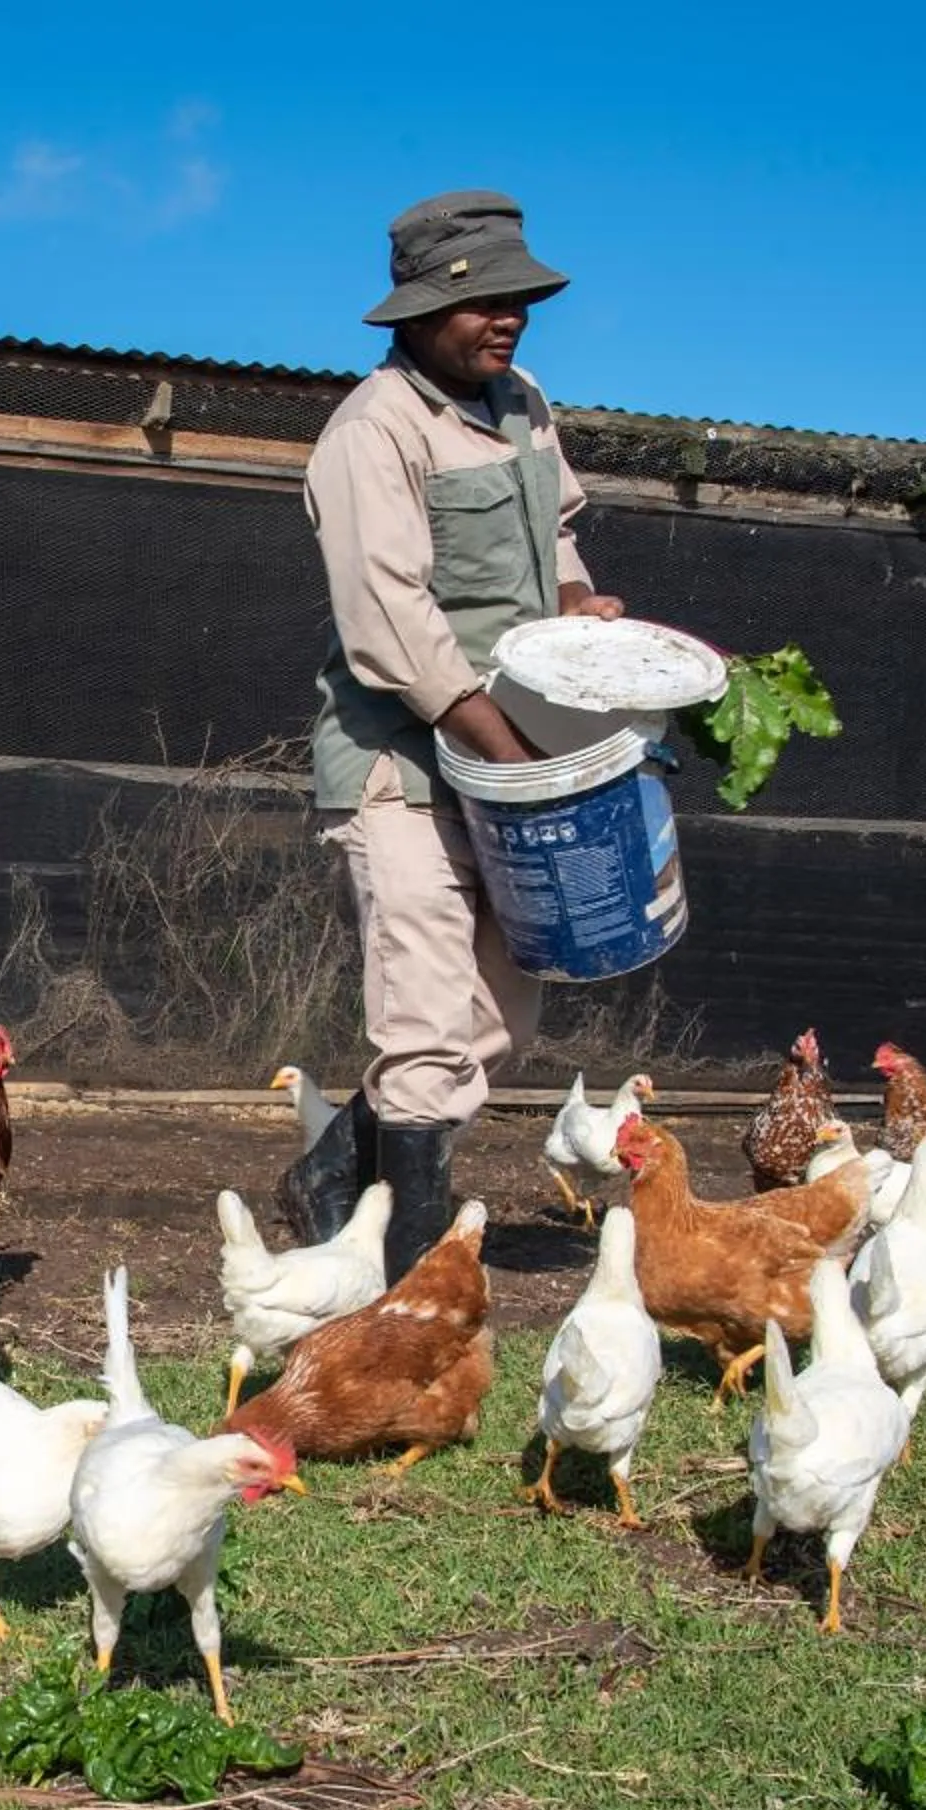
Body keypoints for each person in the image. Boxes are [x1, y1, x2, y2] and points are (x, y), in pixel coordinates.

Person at [287, 189, 626, 1280]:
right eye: (483, 303)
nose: (509, 320)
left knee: (495, 1025)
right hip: (408, 762)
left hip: (516, 761)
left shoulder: (519, 402)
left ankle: (330, 1178)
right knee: (428, 1028)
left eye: (520, 300)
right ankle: (415, 1287)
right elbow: (389, 621)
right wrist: (504, 749)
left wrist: (578, 604)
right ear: (418, 312)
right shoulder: (371, 432)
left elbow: (558, 529)